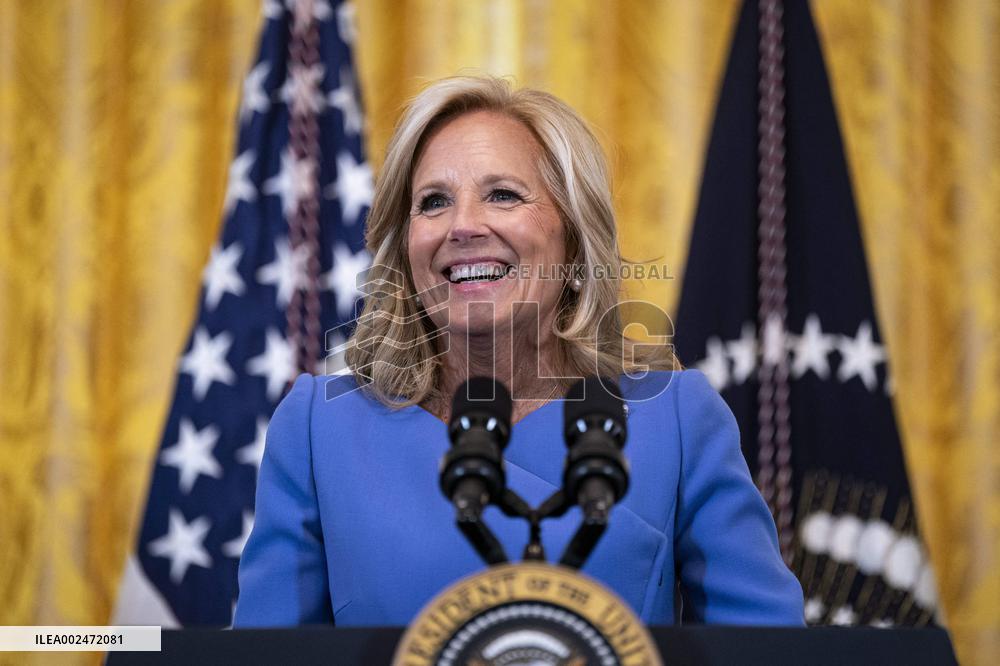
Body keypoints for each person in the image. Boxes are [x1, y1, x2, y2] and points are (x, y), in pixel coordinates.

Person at [233, 76, 804, 627]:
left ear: (575, 241)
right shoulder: (319, 427)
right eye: (432, 202)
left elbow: (768, 651)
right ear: (404, 249)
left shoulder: (675, 418)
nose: (462, 226)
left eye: (503, 195)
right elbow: (262, 659)